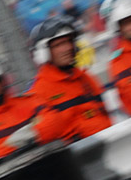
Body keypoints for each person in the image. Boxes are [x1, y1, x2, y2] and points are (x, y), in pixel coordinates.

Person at [26, 15, 111, 143]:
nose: (67, 48)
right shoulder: (38, 92)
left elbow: (105, 113)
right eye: (59, 44)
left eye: (68, 42)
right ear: (44, 52)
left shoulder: (86, 78)